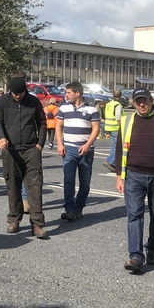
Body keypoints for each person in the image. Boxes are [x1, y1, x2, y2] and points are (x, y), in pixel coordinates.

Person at [114, 88, 154, 273]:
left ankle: (152, 250)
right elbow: (119, 151)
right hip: (134, 175)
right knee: (134, 214)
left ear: (151, 101)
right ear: (134, 103)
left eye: (145, 100)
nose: (142, 104)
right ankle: (135, 256)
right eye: (138, 101)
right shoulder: (126, 121)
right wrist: (119, 176)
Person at [0, 77, 48, 238]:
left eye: (20, 93)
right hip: (10, 150)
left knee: (35, 187)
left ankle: (37, 225)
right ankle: (14, 220)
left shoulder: (33, 102)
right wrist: (1, 137)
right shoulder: (3, 101)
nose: (18, 96)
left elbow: (42, 123)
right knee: (13, 187)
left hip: (31, 150)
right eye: (15, 94)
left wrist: (39, 145)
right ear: (11, 91)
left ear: (25, 91)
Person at [56, 81, 100, 221]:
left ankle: (79, 208)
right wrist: (59, 144)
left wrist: (87, 145)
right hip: (68, 149)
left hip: (85, 151)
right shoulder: (64, 108)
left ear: (77, 93)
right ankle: (69, 209)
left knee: (84, 182)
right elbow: (58, 127)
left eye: (68, 92)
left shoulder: (92, 109)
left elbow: (96, 129)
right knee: (68, 180)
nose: (66, 95)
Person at [102, 91, 123, 173]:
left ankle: (113, 163)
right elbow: (118, 117)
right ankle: (110, 161)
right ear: (120, 97)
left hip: (108, 127)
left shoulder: (109, 104)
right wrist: (121, 127)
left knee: (114, 146)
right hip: (115, 127)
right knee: (118, 147)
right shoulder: (118, 105)